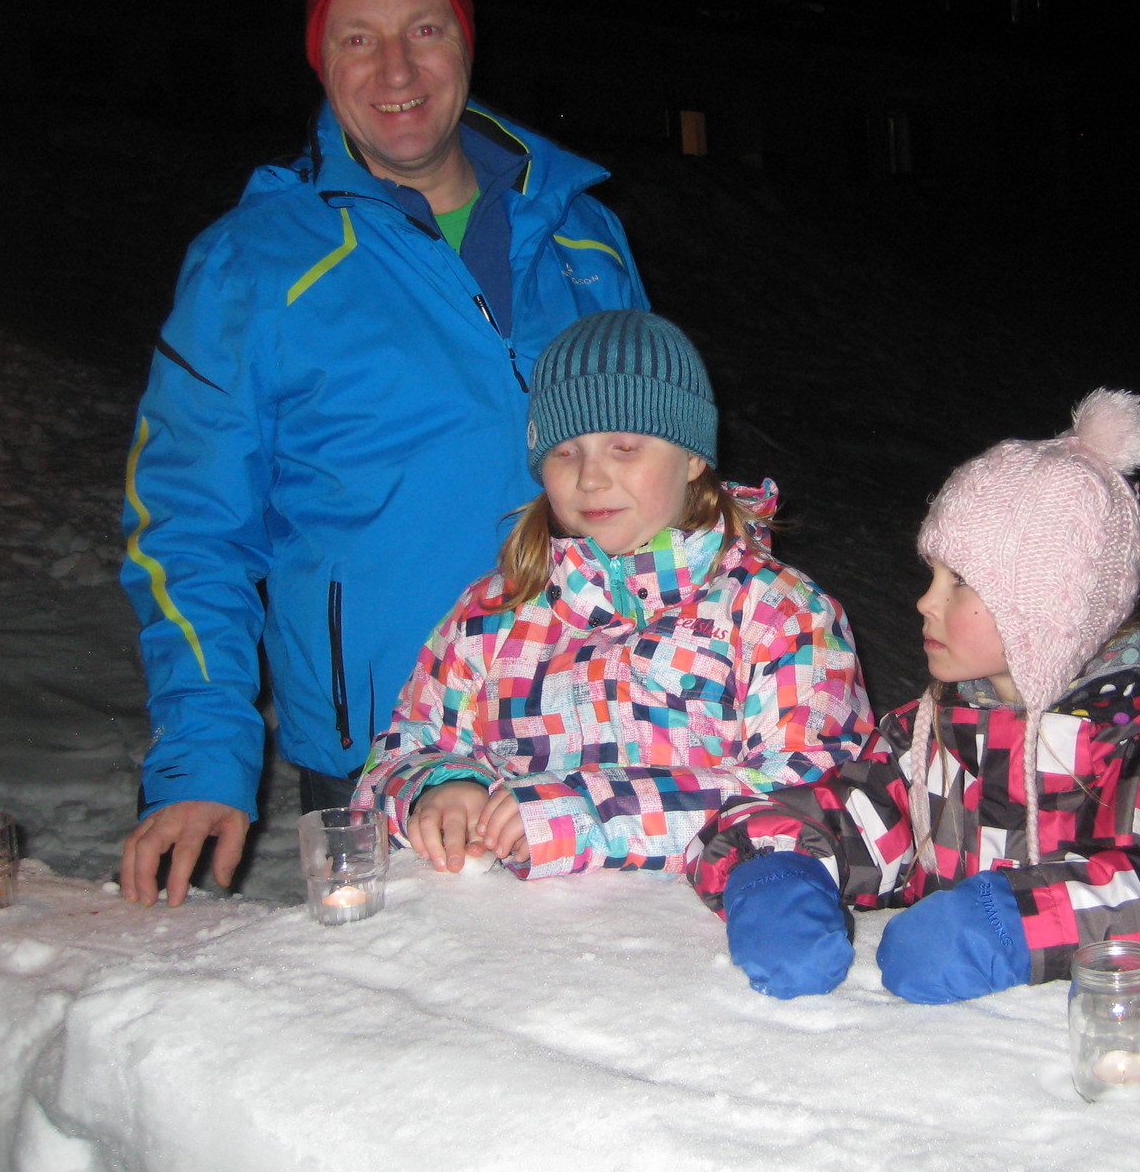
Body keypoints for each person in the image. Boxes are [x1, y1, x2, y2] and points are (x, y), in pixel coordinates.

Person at [119, 0, 649, 905]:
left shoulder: (584, 235)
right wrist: (203, 752)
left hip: (599, 739)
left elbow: (666, 481)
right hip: (386, 756)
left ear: (467, 42)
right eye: (357, 37)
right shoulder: (254, 263)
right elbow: (187, 525)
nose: (396, 68)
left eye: (425, 29)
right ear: (319, 58)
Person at [688, 389, 1140, 1002]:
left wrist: (1020, 922)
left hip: (1099, 1054)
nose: (925, 601)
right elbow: (839, 818)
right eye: (933, 573)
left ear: (1049, 609)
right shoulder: (930, 745)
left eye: (961, 581)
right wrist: (775, 874)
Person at [351, 310, 873, 878]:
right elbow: (400, 754)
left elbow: (819, 794)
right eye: (564, 451)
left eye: (624, 447)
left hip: (706, 922)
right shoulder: (491, 614)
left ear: (692, 456)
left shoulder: (779, 613)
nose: (591, 478)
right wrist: (440, 788)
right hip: (512, 930)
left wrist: (593, 814)